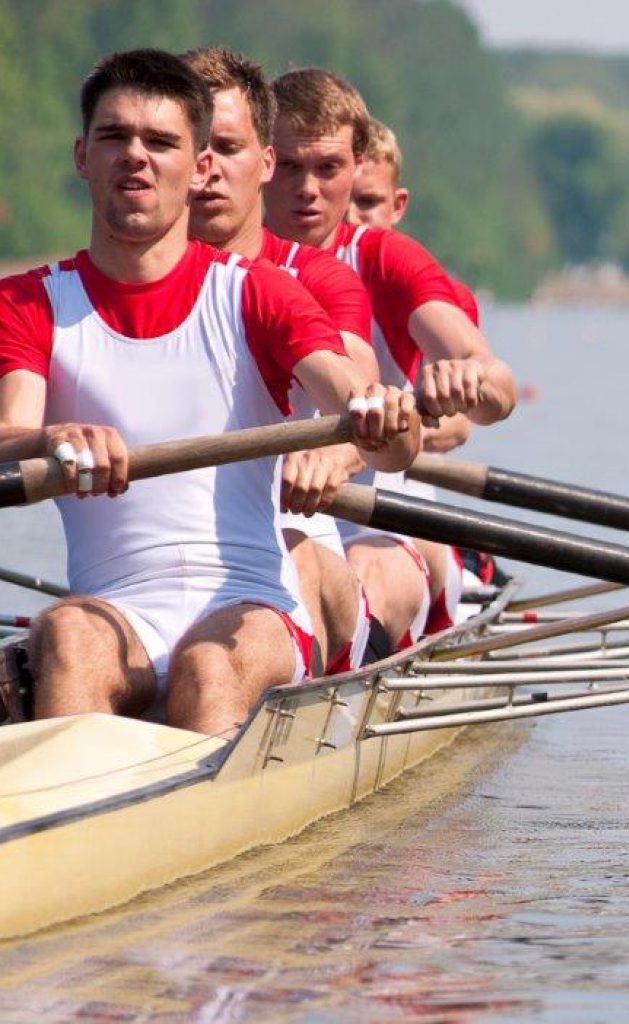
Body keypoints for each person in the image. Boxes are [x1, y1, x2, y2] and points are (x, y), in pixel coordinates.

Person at [0, 50, 419, 736]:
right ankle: (66, 825)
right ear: (82, 156)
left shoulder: (259, 294)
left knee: (205, 669)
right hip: (114, 612)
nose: (135, 157)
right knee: (68, 636)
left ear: (197, 169)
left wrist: (383, 417)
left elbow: (370, 419)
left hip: (250, 605)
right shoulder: (30, 302)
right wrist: (49, 438)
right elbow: (8, 434)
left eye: (160, 141)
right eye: (114, 138)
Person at [264, 68, 517, 647]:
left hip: (384, 525)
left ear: (353, 171)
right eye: (291, 166)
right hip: (261, 529)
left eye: (326, 169)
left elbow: (495, 390)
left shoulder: (384, 259)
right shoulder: (221, 266)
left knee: (365, 572)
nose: (307, 189)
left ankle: (343, 667)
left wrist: (469, 377)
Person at [183, 45, 385, 674]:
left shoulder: (315, 279)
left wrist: (332, 451)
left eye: (226, 147)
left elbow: (362, 395)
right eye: (193, 145)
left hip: (302, 551)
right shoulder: (99, 291)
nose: (207, 167)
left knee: (293, 556)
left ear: (258, 162)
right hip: (163, 577)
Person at [347, 116, 507, 629]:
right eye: (342, 196)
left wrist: (383, 427)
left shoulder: (428, 293)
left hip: (400, 521)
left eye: (367, 203)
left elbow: (459, 426)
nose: (349, 216)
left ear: (398, 207)